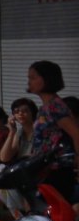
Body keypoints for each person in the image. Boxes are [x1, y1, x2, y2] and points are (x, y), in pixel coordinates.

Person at [26, 60, 78, 196]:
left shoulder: (56, 106)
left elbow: (75, 134)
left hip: (57, 170)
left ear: (47, 79)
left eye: (33, 77)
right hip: (44, 168)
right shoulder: (45, 107)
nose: (29, 81)